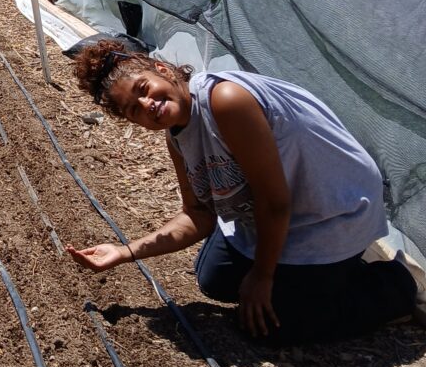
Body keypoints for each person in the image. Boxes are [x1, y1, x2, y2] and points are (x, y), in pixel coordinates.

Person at [66, 39, 422, 345]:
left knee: (271, 328)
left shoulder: (226, 100)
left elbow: (274, 202)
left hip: (332, 210)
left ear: (163, 69)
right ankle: (311, 275)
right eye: (133, 110)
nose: (147, 105)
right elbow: (200, 215)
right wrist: (124, 252)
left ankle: (395, 285)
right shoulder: (177, 137)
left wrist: (263, 276)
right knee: (215, 280)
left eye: (143, 89)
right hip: (277, 210)